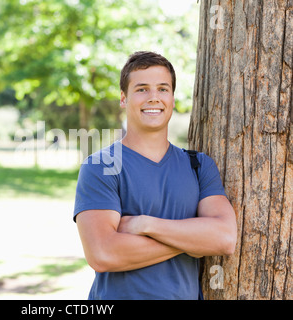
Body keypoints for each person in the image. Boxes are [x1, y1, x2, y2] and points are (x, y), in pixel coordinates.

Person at [73, 51, 237, 300]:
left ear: (172, 98)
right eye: (142, 89)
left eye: (162, 89)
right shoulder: (100, 166)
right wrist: (193, 242)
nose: (153, 98)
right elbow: (103, 254)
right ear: (123, 98)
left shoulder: (198, 166)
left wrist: (145, 225)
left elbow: (224, 238)